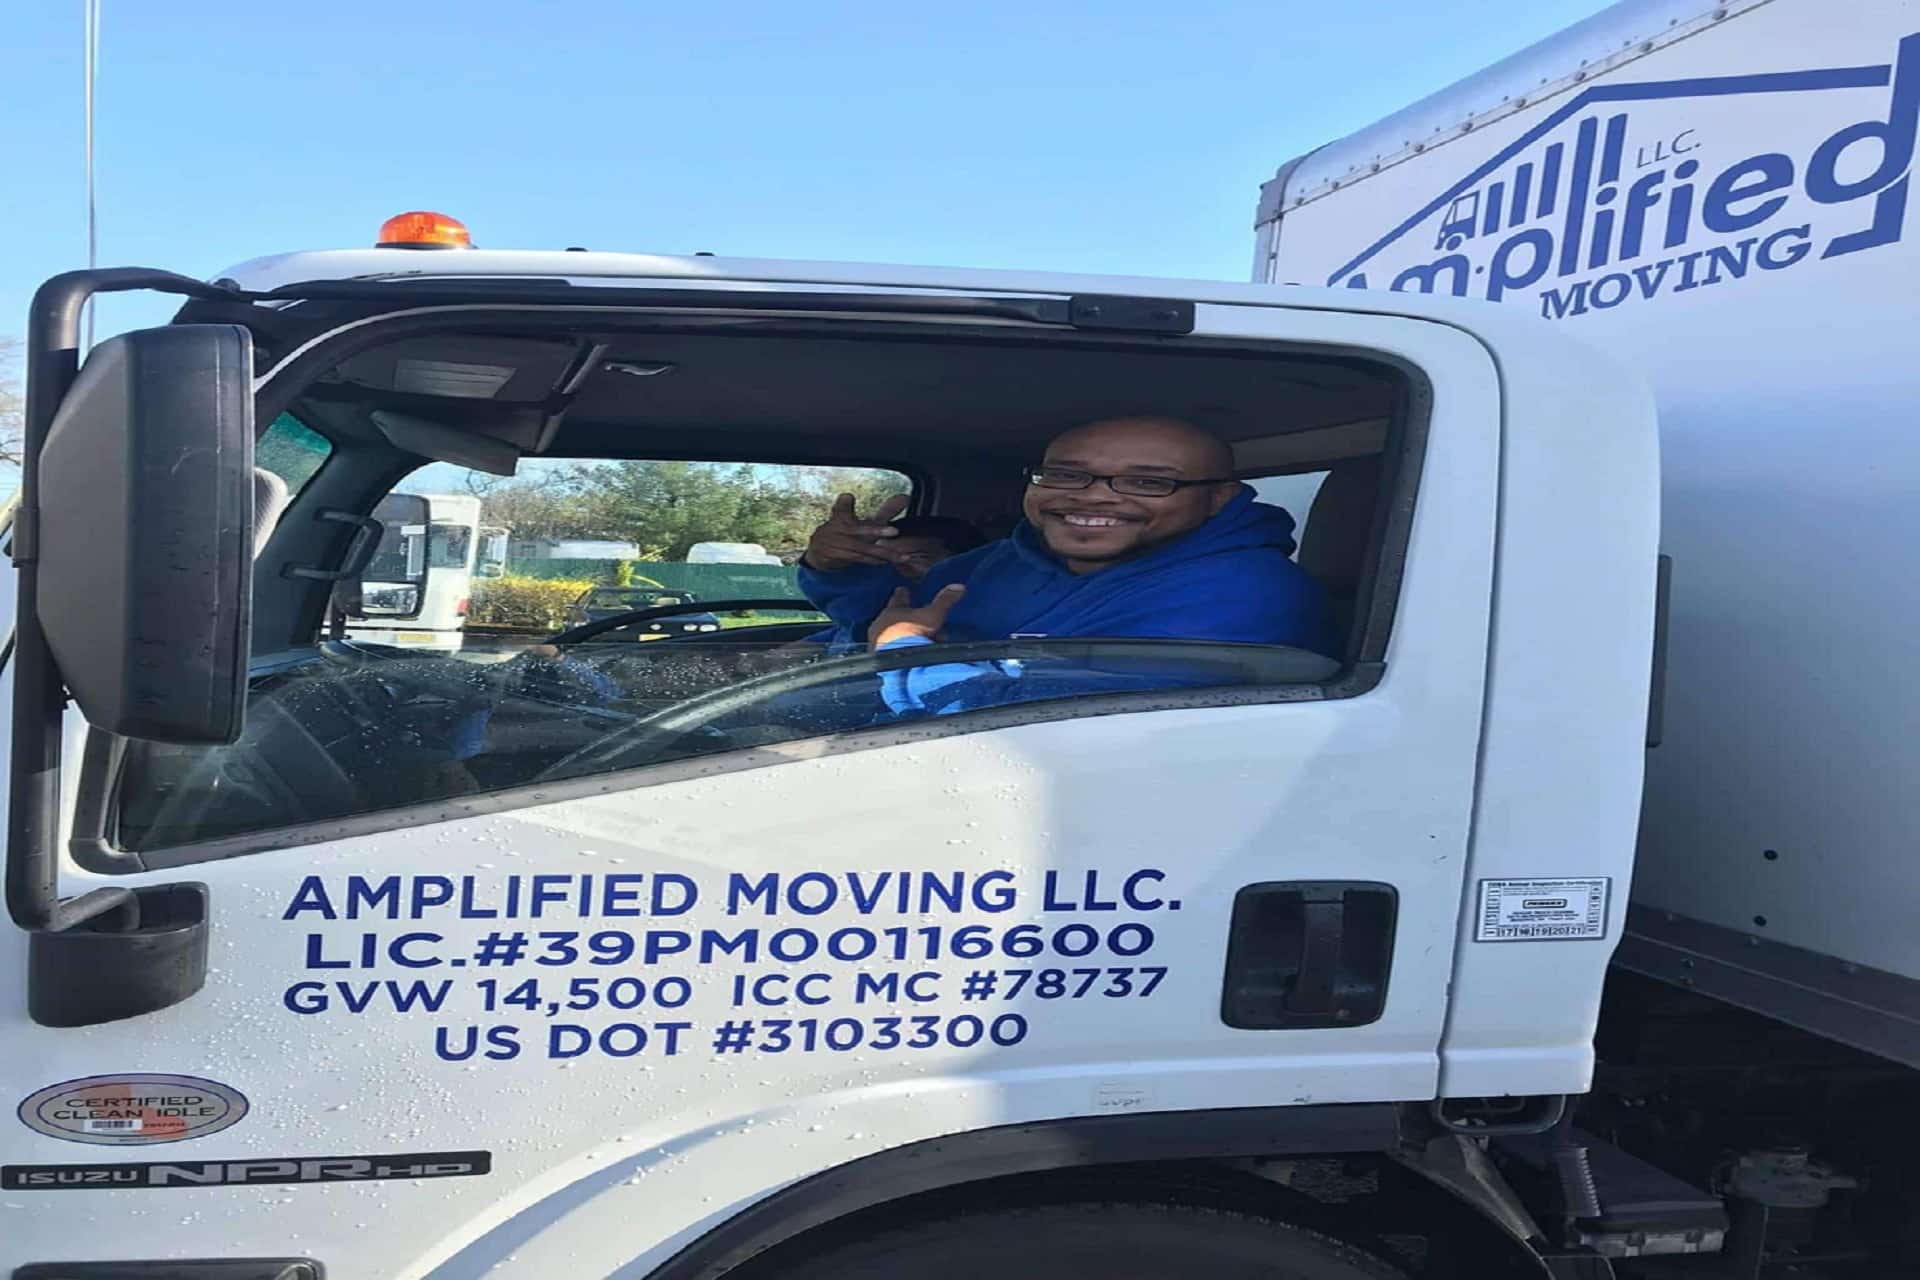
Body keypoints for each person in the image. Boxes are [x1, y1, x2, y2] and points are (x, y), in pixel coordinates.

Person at [797, 415, 1331, 715]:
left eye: (1149, 482)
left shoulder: (1242, 596)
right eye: (1066, 476)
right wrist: (839, 567)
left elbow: (1047, 719)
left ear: (1219, 499)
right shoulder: (1004, 561)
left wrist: (902, 654)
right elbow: (889, 617)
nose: (1095, 498)